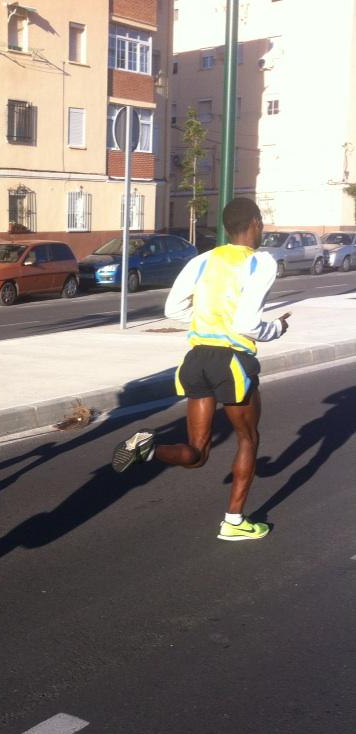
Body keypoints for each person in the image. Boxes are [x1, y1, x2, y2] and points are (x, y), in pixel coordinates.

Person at [111, 197, 290, 541]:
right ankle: (234, 522)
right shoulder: (260, 262)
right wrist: (277, 329)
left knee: (197, 452)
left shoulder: (203, 260)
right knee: (248, 438)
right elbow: (248, 323)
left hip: (196, 359)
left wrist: (206, 323)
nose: (262, 228)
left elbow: (173, 308)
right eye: (261, 222)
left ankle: (147, 448)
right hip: (232, 360)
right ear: (254, 222)